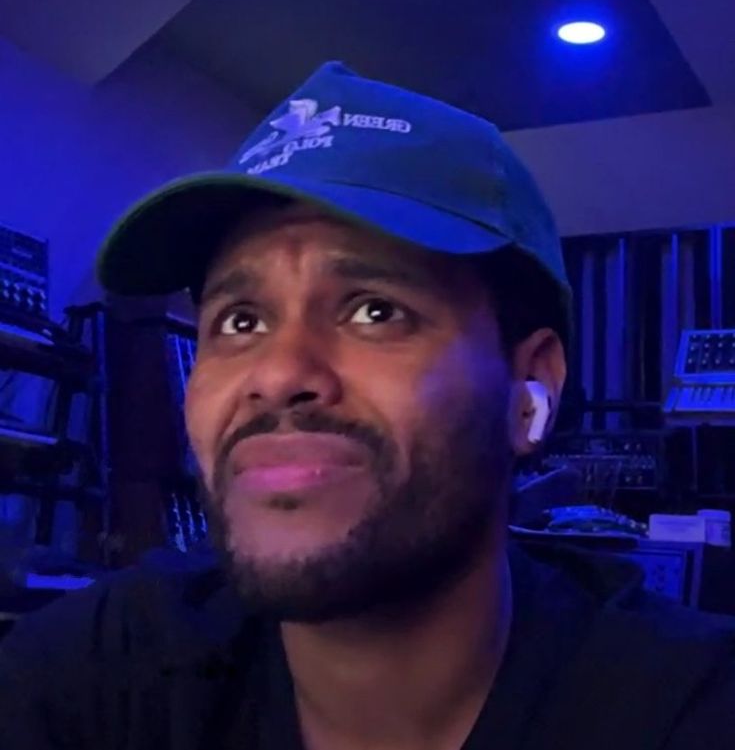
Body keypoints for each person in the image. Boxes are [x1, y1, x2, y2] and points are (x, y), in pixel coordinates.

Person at [1, 62, 734, 750]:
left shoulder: (680, 707)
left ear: (527, 387)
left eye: (375, 310)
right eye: (241, 321)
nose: (278, 373)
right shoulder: (89, 676)